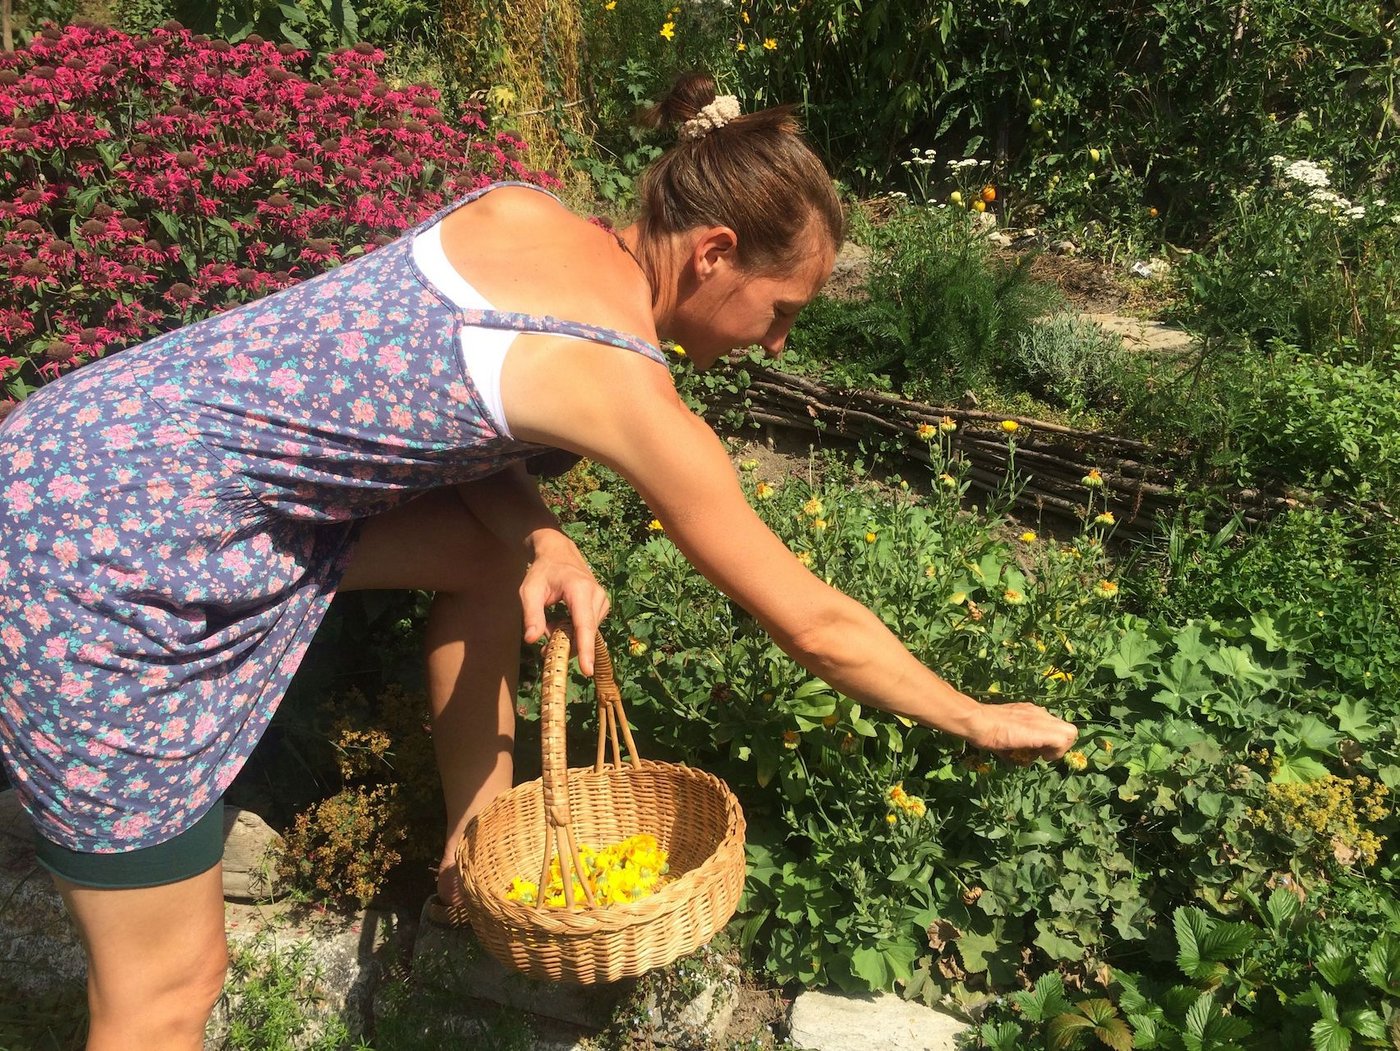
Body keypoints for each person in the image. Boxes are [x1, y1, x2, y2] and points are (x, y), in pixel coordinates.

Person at [0, 72, 1077, 1047]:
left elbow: (441, 405)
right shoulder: (619, 386)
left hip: (75, 447)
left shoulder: (517, 211)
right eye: (779, 310)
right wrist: (971, 715)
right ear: (711, 254)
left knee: (483, 552)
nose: (776, 342)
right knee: (164, 992)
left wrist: (538, 534)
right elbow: (809, 619)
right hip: (100, 562)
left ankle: (476, 871)